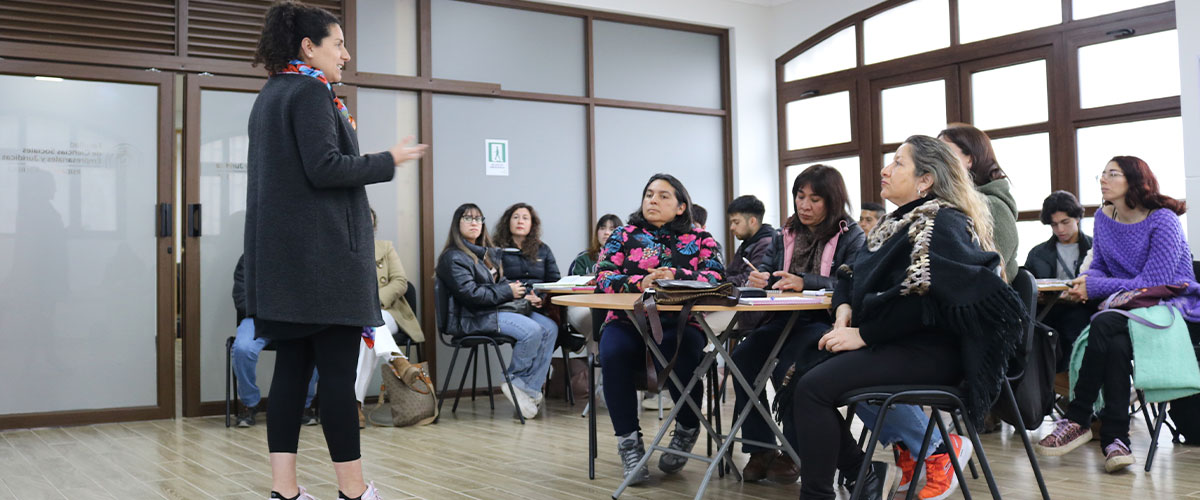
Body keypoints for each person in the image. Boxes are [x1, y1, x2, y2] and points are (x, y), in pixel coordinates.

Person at [246, 2, 427, 499]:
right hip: (324, 268)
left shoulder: (272, 94)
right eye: (338, 43)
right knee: (338, 385)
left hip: (290, 269)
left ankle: (286, 493)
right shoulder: (309, 92)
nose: (345, 54)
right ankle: (354, 492)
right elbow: (325, 167)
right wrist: (386, 159)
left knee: (290, 378)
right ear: (309, 46)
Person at [789, 135, 1024, 500]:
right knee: (794, 380)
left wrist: (864, 335)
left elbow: (923, 301)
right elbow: (849, 276)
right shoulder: (894, 224)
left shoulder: (941, 222)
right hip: (896, 342)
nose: (885, 170)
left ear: (925, 180)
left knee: (811, 388)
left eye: (898, 163)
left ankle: (823, 492)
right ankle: (861, 472)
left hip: (930, 351)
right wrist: (844, 311)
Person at [1035, 156, 1200, 473]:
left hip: (1172, 307)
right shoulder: (1104, 217)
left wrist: (1095, 286)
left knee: (1106, 323)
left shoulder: (1162, 219)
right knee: (1114, 341)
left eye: (1113, 173)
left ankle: (1079, 416)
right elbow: (1100, 267)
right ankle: (1115, 440)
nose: (1103, 179)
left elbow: (1156, 282)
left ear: (1136, 181)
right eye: (1103, 173)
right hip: (1125, 311)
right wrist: (1087, 281)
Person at [733, 166, 864, 484]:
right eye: (799, 196)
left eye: (814, 199)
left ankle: (796, 452)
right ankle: (761, 448)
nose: (804, 205)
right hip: (780, 321)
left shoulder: (851, 235)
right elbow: (767, 271)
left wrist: (804, 281)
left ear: (832, 201)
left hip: (823, 323)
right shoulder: (784, 234)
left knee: (788, 373)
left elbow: (853, 282)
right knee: (740, 361)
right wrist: (761, 277)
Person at [595, 174, 724, 484]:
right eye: (649, 194)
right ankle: (629, 444)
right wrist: (640, 282)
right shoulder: (624, 235)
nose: (652, 200)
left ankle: (687, 428)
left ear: (681, 206)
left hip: (680, 324)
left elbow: (717, 277)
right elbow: (603, 277)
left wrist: (676, 275)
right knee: (612, 351)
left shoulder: (700, 237)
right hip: (628, 322)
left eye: (663, 196)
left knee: (685, 353)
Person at [436, 203, 557, 420]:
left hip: (492, 309)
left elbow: (498, 286)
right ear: (457, 224)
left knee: (550, 327)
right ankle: (514, 381)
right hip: (472, 317)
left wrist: (521, 294)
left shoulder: (485, 254)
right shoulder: (453, 257)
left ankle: (528, 388)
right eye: (468, 218)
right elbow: (471, 295)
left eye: (478, 219)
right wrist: (507, 291)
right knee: (532, 330)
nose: (474, 223)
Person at [353, 209, 423, 428]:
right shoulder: (341, 249)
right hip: (353, 316)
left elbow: (400, 281)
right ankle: (398, 361)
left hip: (388, 312)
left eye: (370, 223)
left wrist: (373, 303)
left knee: (371, 324)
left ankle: (354, 405)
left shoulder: (385, 247)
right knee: (367, 337)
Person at [231, 256, 320, 428]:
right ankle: (250, 403)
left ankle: (304, 404)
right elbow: (241, 298)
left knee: (316, 343)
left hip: (295, 320)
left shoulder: (303, 254)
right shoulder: (250, 257)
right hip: (258, 318)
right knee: (243, 348)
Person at [938, 124, 1018, 283]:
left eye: (944, 152)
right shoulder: (943, 204)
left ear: (970, 159)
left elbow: (990, 273)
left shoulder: (995, 206)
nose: (936, 159)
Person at [1025, 191, 1095, 370]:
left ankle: (1070, 383)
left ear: (1077, 218)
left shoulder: (1095, 249)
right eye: (1054, 225)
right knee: (1035, 334)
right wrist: (1037, 295)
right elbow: (1027, 287)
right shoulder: (1037, 253)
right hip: (1048, 310)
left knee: (1075, 329)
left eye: (1065, 222)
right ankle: (1048, 385)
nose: (1060, 230)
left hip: (1083, 309)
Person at [566, 214, 623, 341]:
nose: (607, 232)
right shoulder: (583, 258)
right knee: (597, 327)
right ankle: (597, 360)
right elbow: (572, 285)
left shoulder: (626, 260)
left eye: (612, 229)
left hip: (614, 305)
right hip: (582, 304)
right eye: (602, 228)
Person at [723, 195, 776, 287]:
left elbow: (749, 278)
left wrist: (720, 282)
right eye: (731, 223)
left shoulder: (766, 244)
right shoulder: (747, 243)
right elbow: (729, 273)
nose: (732, 227)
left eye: (736, 222)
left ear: (752, 221)